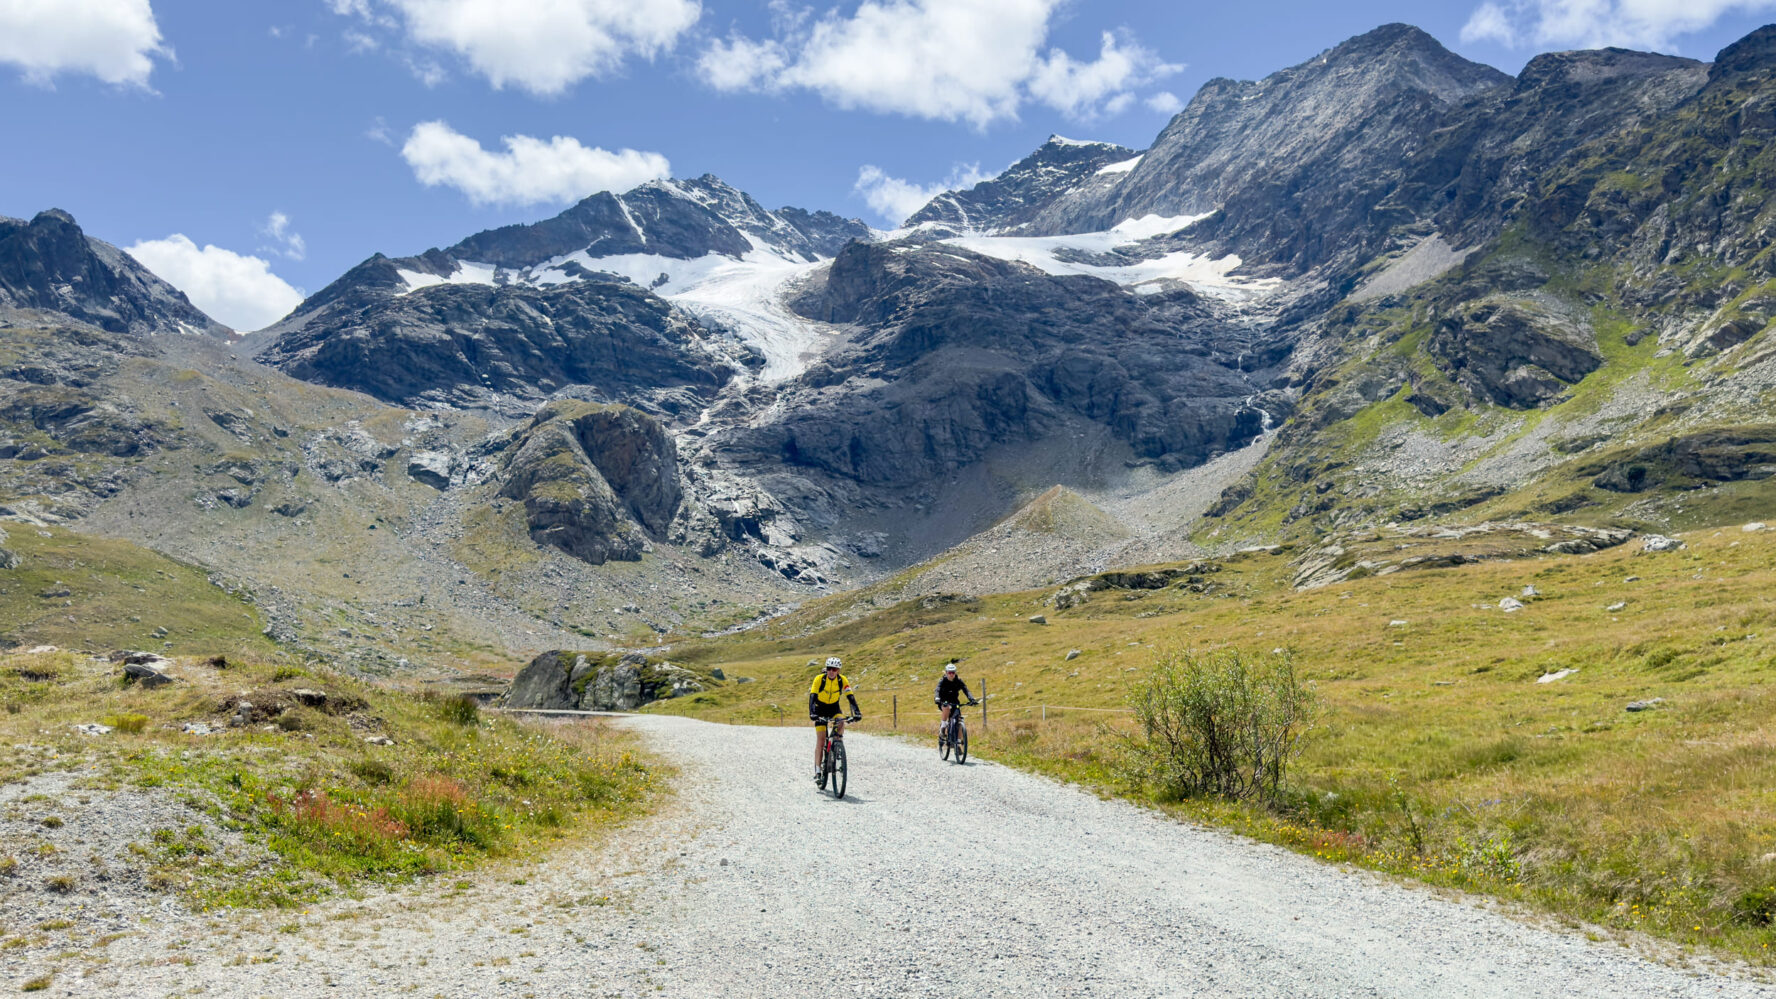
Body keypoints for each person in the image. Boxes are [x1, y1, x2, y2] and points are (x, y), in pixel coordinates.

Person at [809, 656, 861, 782]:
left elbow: (850, 697)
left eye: (834, 669)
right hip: (820, 709)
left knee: (841, 722)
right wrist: (812, 713)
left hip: (834, 708)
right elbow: (812, 696)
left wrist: (857, 712)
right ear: (826, 669)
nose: (832, 671)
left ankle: (837, 745)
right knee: (821, 741)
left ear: (838, 670)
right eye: (829, 668)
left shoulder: (842, 680)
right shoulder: (819, 679)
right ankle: (817, 772)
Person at [934, 660, 978, 744]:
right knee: (947, 707)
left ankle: (958, 742)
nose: (951, 674)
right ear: (946, 672)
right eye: (949, 672)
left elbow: (966, 690)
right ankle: (943, 727)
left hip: (955, 702)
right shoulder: (942, 681)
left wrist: (972, 699)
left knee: (959, 719)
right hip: (944, 701)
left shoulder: (958, 681)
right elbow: (937, 689)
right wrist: (937, 698)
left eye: (953, 672)